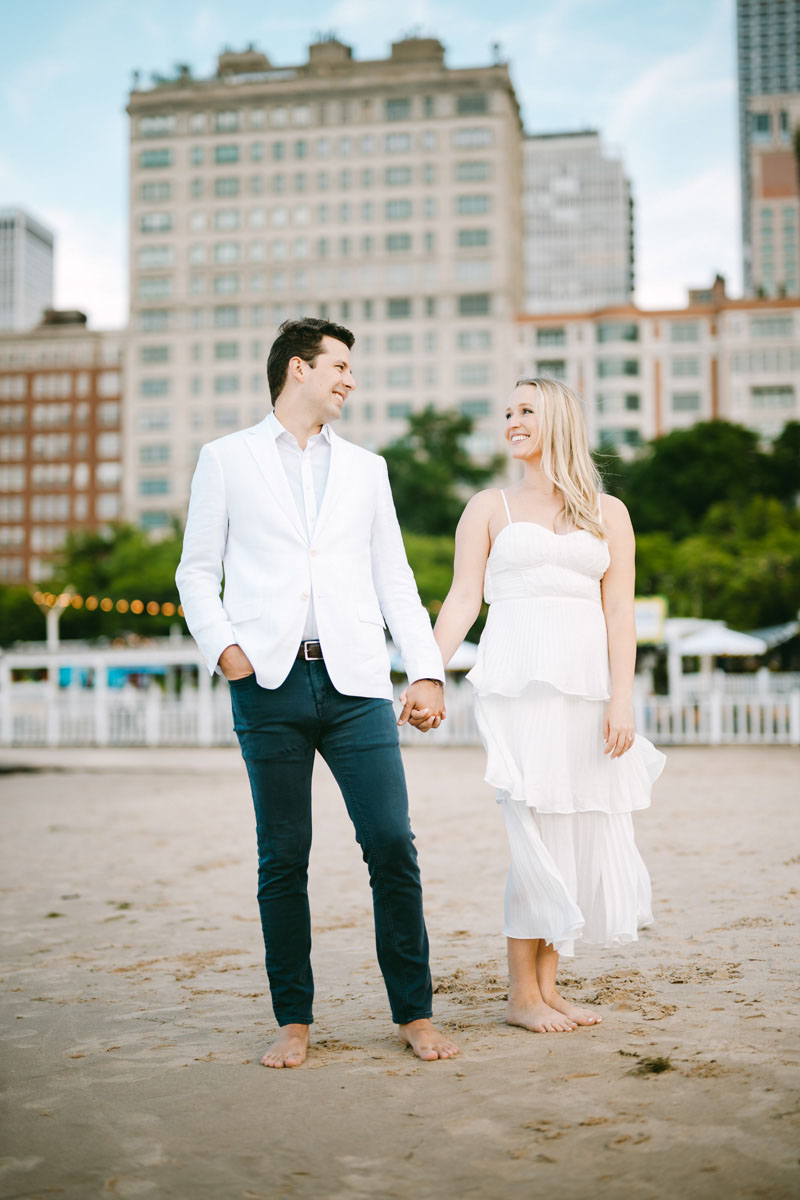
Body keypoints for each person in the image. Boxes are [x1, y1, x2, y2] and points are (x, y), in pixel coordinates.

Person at [176, 317, 458, 1068]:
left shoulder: (368, 468)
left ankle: (414, 1012)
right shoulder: (225, 458)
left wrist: (424, 668)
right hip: (265, 683)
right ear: (298, 369)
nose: (350, 381)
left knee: (391, 842)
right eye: (339, 366)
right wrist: (229, 652)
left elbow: (394, 578)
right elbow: (196, 571)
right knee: (283, 855)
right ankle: (294, 1019)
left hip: (356, 682)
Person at [429, 378, 665, 1033]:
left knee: (572, 826)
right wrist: (427, 671)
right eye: (506, 412)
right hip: (517, 686)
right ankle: (520, 995)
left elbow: (620, 612)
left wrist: (622, 698)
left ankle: (550, 986)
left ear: (558, 419)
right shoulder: (488, 506)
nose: (511, 421)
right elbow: (461, 600)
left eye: (526, 410)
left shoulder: (607, 510)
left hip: (588, 691)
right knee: (532, 826)